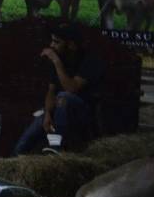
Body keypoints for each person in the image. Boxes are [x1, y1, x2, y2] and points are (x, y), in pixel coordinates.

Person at [14, 24, 103, 155]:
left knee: (64, 96)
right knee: (29, 134)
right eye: (52, 40)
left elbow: (71, 88)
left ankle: (56, 146)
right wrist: (48, 114)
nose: (52, 45)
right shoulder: (61, 59)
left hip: (82, 111)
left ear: (71, 45)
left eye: (56, 42)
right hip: (58, 109)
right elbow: (51, 91)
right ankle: (15, 157)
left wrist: (56, 62)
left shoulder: (90, 61)